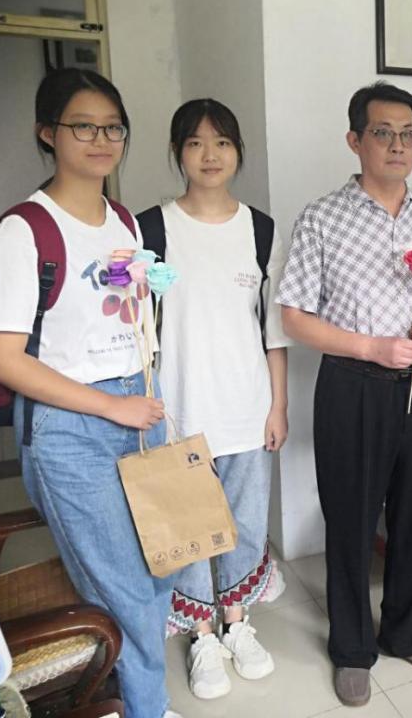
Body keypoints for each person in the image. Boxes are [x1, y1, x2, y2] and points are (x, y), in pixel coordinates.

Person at [0, 68, 182, 718]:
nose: (101, 140)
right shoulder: (24, 231)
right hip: (71, 430)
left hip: (137, 410)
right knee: (123, 587)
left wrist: (143, 393)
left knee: (164, 563)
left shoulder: (123, 221)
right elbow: (0, 358)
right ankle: (147, 708)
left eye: (113, 128)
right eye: (83, 127)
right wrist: (112, 405)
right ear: (48, 133)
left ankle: (138, 699)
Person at [277, 81, 412, 707]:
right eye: (383, 133)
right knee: (352, 521)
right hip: (354, 386)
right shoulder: (322, 218)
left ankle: (407, 631)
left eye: (408, 133)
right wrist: (371, 347)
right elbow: (294, 317)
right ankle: (352, 648)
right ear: (355, 140)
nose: (397, 145)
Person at [140, 99, 290, 700]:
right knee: (188, 528)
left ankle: (236, 621)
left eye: (222, 142)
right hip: (178, 408)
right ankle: (201, 634)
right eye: (196, 142)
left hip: (246, 406)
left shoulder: (261, 229)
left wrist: (277, 407)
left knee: (245, 524)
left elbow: (274, 330)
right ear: (177, 152)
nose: (210, 155)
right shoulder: (150, 228)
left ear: (237, 152)